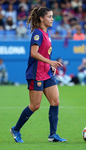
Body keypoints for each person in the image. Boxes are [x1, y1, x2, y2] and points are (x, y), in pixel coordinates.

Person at [10, 7, 67, 143]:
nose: (52, 19)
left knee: (55, 102)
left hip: (46, 72)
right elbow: (34, 53)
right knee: (35, 105)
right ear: (41, 18)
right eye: (49, 16)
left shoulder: (47, 34)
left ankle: (53, 135)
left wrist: (50, 66)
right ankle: (16, 129)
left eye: (52, 16)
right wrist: (51, 62)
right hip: (36, 74)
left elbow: (46, 53)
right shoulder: (38, 33)